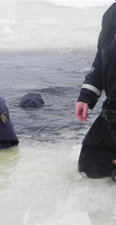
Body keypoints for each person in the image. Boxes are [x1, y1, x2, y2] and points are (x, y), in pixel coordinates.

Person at [75, 2, 116, 180]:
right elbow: (101, 57)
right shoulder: (111, 14)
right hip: (113, 108)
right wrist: (87, 95)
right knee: (90, 166)